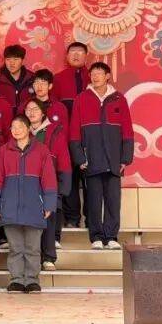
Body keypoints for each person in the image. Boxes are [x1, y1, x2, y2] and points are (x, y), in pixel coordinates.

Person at [68, 62, 134, 250]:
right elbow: (74, 132)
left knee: (113, 200)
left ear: (107, 76)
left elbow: (127, 130)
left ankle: (111, 236)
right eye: (93, 73)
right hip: (91, 159)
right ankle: (96, 236)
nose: (95, 76)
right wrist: (80, 158)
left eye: (99, 73)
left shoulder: (119, 99)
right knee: (93, 200)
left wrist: (125, 158)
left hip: (114, 160)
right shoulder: (81, 99)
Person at [0, 115, 58, 293]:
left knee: (33, 247)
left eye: (20, 126)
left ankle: (32, 280)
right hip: (10, 204)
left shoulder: (41, 150)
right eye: (13, 127)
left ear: (28, 128)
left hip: (34, 205)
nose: (16, 130)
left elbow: (49, 178)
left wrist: (49, 203)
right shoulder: (3, 151)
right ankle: (16, 280)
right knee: (15, 247)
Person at [24, 98, 71, 271]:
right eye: (28, 109)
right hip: (27, 184)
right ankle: (33, 258)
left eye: (35, 109)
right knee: (30, 223)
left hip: (49, 184)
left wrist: (63, 186)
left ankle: (49, 257)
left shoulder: (54, 131)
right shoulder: (21, 131)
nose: (31, 112)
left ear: (43, 112)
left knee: (49, 222)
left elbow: (63, 158)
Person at [53, 42, 90, 230]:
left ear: (86, 56)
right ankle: (72, 219)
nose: (76, 55)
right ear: (67, 56)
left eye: (80, 52)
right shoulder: (58, 79)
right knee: (70, 180)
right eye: (72, 52)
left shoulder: (94, 78)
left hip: (90, 140)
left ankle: (91, 220)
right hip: (67, 140)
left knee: (91, 181)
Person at [0, 44, 35, 114]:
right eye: (8, 59)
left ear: (22, 60)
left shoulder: (33, 78)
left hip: (28, 117)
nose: (12, 63)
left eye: (16, 59)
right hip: (6, 117)